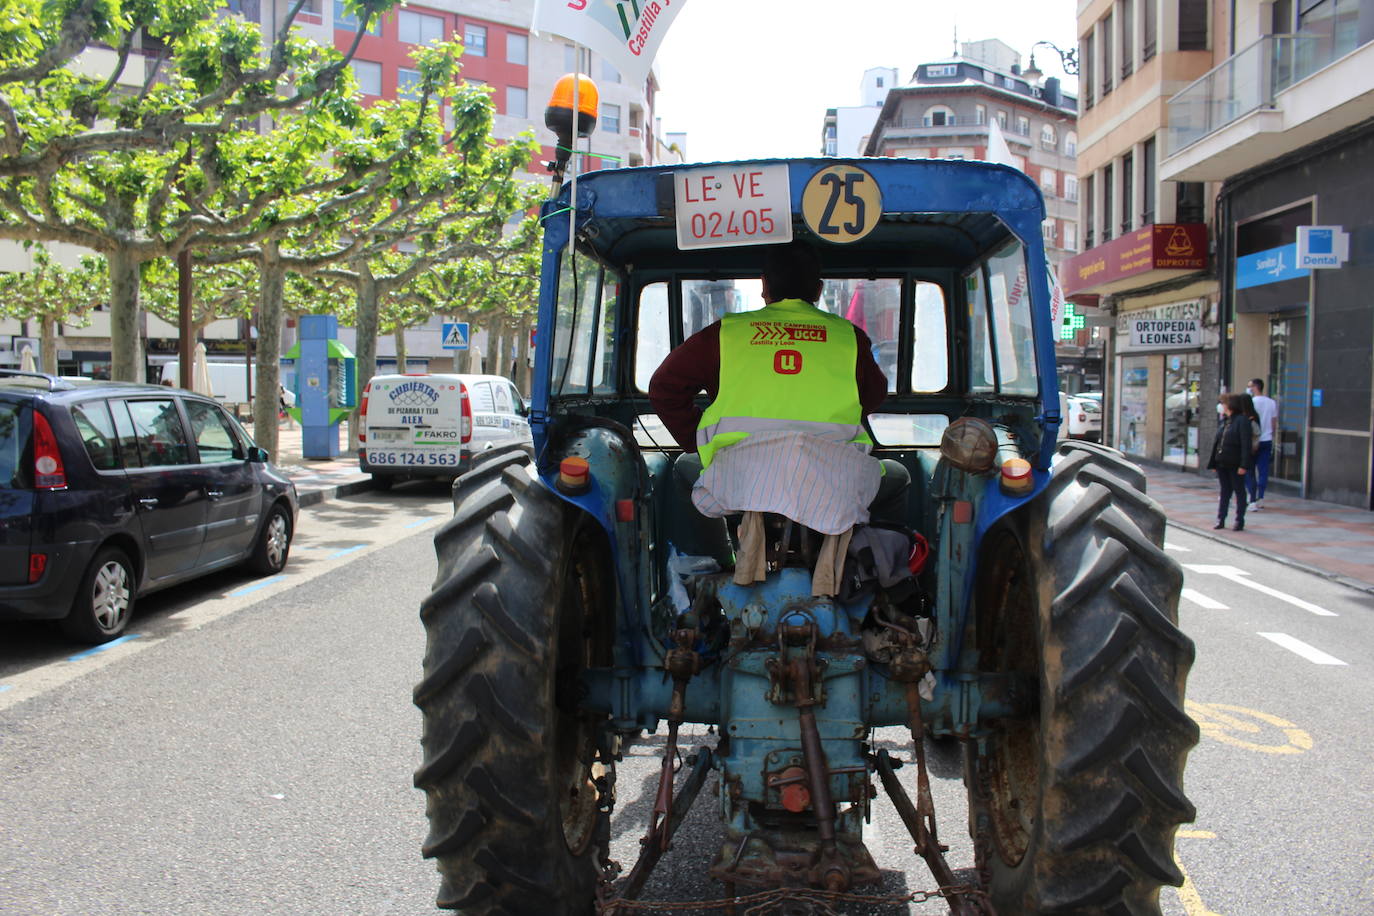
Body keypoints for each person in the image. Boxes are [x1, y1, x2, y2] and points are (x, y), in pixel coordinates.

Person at [648, 240, 899, 539]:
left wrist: (696, 439)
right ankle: (877, 568)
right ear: (818, 291)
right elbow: (873, 395)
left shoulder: (726, 334)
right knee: (898, 476)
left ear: (764, 285)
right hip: (831, 480)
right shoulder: (849, 337)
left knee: (684, 467)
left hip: (739, 479)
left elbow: (664, 387)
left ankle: (715, 562)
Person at [1207, 392, 1254, 531]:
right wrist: (1213, 463)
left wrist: (1244, 464)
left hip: (1235, 463)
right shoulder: (1225, 421)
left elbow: (1246, 445)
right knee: (1225, 491)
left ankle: (1239, 520)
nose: (1221, 406)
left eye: (1223, 403)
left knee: (1239, 491)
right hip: (1222, 462)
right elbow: (1218, 443)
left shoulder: (1242, 421)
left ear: (1231, 405)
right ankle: (1221, 518)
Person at [1246, 378, 1278, 509]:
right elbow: (1274, 422)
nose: (1248, 389)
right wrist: (1272, 436)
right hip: (1267, 439)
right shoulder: (1271, 403)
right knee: (1263, 470)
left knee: (1250, 469)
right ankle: (1261, 497)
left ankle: (1252, 495)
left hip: (1253, 441)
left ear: (1255, 387)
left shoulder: (1250, 403)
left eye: (1249, 386)